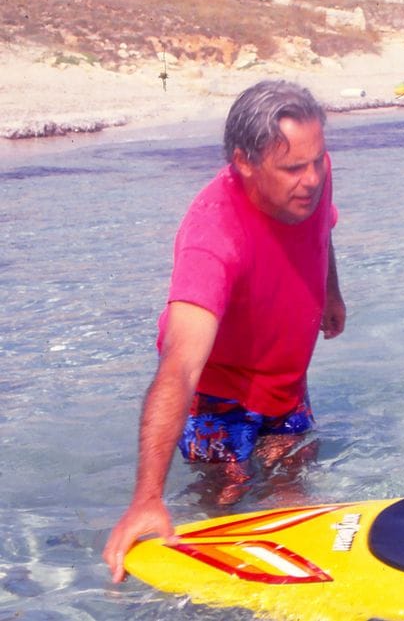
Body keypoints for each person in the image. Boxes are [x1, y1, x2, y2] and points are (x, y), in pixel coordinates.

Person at [102, 80, 347, 582]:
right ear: (244, 160)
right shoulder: (212, 236)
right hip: (218, 400)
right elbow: (179, 366)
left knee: (294, 488)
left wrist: (332, 294)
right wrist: (146, 498)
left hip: (286, 385)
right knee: (227, 508)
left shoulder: (313, 173)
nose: (312, 179)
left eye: (317, 161)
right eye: (294, 169)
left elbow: (322, 227)